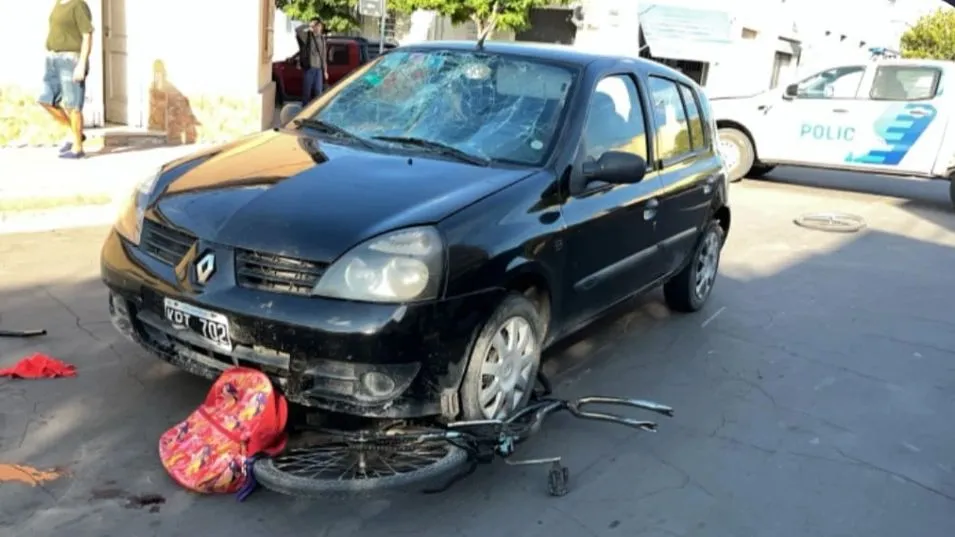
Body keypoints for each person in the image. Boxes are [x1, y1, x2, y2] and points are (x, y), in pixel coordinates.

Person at [38, 0, 94, 159]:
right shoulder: (58, 3)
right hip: (53, 59)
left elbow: (87, 35)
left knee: (72, 105)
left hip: (71, 60)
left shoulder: (78, 5)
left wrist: (82, 64)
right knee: (46, 100)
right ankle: (77, 133)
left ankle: (77, 148)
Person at [295, 17, 330, 105]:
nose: (318, 28)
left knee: (318, 92)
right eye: (316, 26)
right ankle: (304, 111)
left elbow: (323, 56)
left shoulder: (322, 39)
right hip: (309, 68)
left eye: (319, 26)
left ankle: (316, 112)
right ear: (313, 27)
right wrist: (308, 24)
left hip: (319, 70)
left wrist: (325, 71)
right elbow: (298, 30)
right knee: (306, 92)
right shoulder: (307, 36)